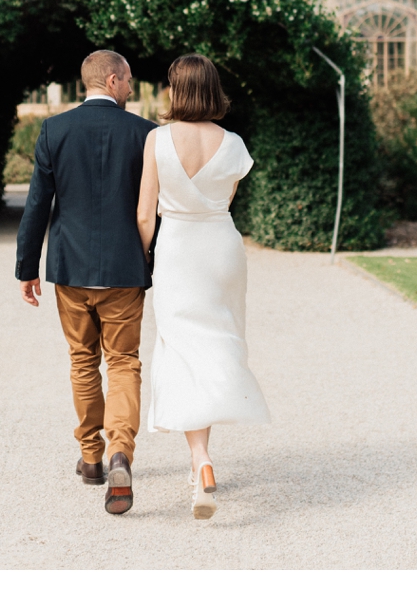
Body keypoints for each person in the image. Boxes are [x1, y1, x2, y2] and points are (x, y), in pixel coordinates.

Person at [16, 49, 156, 516]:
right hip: (123, 269)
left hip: (71, 270)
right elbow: (155, 209)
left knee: (82, 361)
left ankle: (92, 458)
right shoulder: (145, 134)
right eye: (129, 80)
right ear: (113, 80)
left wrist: (26, 267)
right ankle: (121, 453)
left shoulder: (56, 130)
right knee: (123, 362)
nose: (132, 87)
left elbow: (37, 204)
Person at [137, 53, 270, 521]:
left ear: (177, 90)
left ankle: (200, 459)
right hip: (221, 249)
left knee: (179, 345)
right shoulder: (232, 143)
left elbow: (143, 213)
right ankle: (202, 462)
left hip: (177, 248)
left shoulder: (157, 140)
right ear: (213, 89)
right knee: (219, 338)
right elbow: (226, 200)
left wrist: (145, 258)